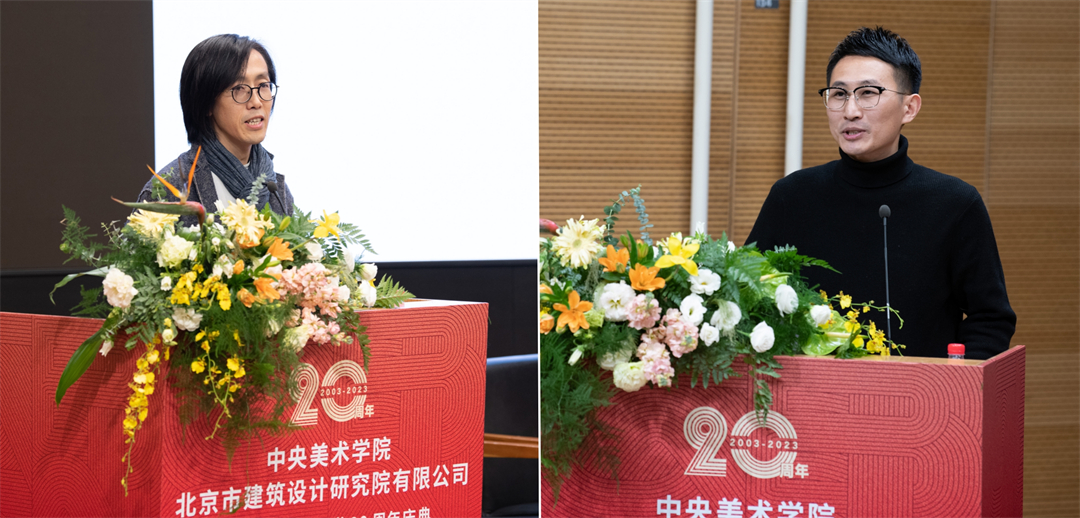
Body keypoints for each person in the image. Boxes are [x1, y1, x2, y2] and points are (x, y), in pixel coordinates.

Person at [746, 27, 1015, 360]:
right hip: (812, 389)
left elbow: (990, 319)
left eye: (868, 93)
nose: (851, 111)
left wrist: (952, 384)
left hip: (919, 389)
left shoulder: (954, 203)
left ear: (909, 108)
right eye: (839, 94)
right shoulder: (792, 196)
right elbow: (748, 296)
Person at [138, 34, 294, 222]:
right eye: (239, 88)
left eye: (263, 85)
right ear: (206, 104)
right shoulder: (167, 192)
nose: (256, 101)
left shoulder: (276, 191)